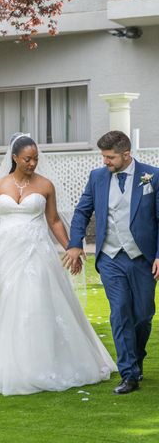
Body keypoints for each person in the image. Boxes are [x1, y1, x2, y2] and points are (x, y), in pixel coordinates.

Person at [0, 133, 116, 396]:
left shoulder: (45, 185)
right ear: (15, 158)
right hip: (5, 254)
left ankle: (41, 363)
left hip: (36, 253)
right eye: (28, 159)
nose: (32, 164)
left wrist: (71, 247)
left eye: (36, 159)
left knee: (35, 303)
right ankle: (6, 366)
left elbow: (53, 221)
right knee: (5, 305)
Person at [64, 130, 159, 394]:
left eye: (110, 157)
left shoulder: (152, 175)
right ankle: (128, 373)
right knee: (119, 312)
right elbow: (83, 210)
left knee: (143, 315)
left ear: (126, 154)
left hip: (142, 258)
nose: (105, 161)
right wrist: (75, 243)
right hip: (110, 258)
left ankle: (136, 358)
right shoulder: (97, 178)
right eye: (103, 156)